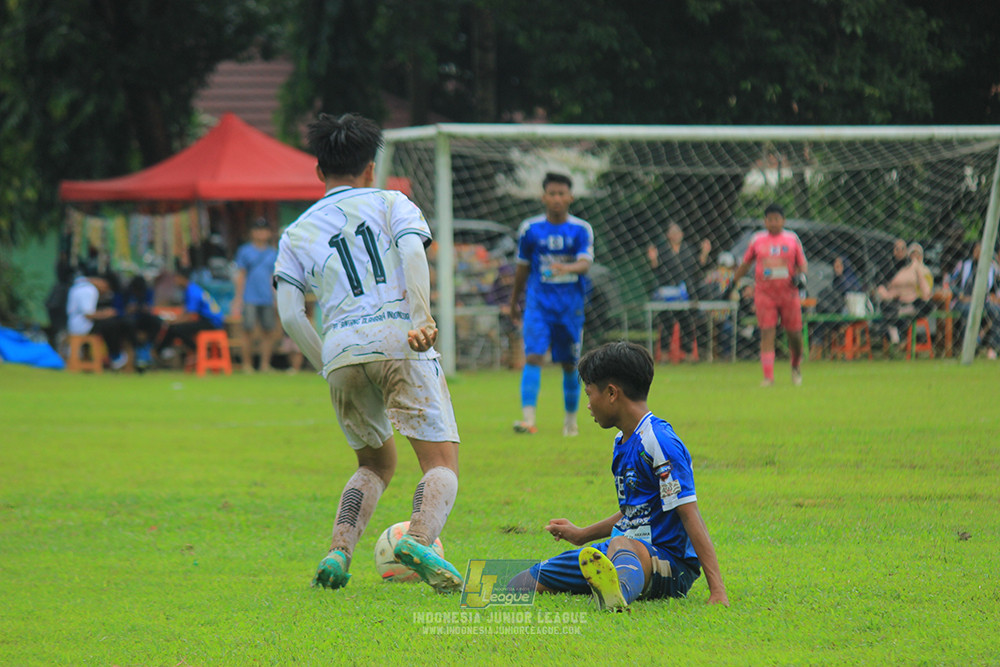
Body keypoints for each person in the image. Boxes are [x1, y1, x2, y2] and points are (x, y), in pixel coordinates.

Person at [273, 112, 463, 593]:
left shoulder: (295, 233)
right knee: (440, 462)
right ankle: (418, 539)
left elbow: (292, 314)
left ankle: (338, 553)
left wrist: (326, 362)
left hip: (339, 351)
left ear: (319, 172)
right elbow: (414, 255)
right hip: (401, 338)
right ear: (370, 169)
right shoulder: (391, 202)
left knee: (373, 465)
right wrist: (421, 319)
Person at [507, 341, 728, 611]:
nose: (587, 405)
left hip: (670, 564)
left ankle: (614, 596)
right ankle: (607, 581)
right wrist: (580, 534)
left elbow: (689, 514)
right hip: (618, 550)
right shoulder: (621, 442)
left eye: (589, 394)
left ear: (612, 393)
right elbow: (633, 511)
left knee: (623, 545)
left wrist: (717, 590)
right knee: (524, 581)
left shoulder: (659, 442)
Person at [509, 172, 594, 437]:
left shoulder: (581, 229)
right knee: (533, 356)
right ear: (543, 197)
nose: (557, 199)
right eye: (552, 194)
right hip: (538, 305)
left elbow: (585, 264)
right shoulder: (530, 229)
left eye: (561, 194)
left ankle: (570, 423)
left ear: (570, 197)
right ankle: (528, 420)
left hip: (570, 307)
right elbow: (522, 268)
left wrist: (564, 267)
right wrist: (514, 300)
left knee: (570, 363)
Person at [731, 204, 808, 386]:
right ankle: (768, 376)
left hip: (788, 293)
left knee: (794, 334)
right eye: (770, 219)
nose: (773, 223)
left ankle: (796, 366)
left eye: (777, 219)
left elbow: (802, 264)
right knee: (767, 332)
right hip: (765, 294)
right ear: (765, 221)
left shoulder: (792, 239)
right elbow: (746, 262)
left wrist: (801, 277)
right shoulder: (757, 240)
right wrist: (734, 281)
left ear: (783, 221)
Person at [646, 223, 712, 360]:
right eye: (673, 232)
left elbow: (698, 268)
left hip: (686, 293)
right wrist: (653, 259)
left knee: (687, 322)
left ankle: (688, 354)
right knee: (666, 322)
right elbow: (657, 270)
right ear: (668, 235)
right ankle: (664, 354)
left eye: (678, 232)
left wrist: (704, 253)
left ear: (682, 234)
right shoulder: (663, 251)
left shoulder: (688, 249)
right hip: (668, 293)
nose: (676, 235)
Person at [231, 218, 281, 373]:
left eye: (264, 230)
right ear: (252, 233)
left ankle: (264, 365)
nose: (261, 233)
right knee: (247, 330)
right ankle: (247, 364)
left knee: (268, 331)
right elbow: (241, 275)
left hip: (266, 296)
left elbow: (274, 276)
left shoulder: (273, 252)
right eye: (258, 230)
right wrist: (238, 298)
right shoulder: (245, 251)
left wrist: (276, 297)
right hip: (249, 296)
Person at [65, 270, 134, 370]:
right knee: (112, 325)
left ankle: (115, 355)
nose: (105, 292)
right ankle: (115, 355)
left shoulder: (78, 285)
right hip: (82, 327)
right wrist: (106, 313)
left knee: (110, 324)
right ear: (103, 283)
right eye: (107, 289)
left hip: (73, 324)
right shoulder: (90, 290)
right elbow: (88, 315)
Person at [154, 266, 225, 361]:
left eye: (176, 278)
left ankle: (199, 351)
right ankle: (159, 352)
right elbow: (187, 313)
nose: (175, 281)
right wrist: (175, 320)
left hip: (212, 323)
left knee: (176, 329)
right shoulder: (191, 289)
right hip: (207, 320)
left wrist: (175, 321)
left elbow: (191, 316)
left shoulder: (192, 291)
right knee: (174, 328)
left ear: (182, 278)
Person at [876, 243, 934, 346]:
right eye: (913, 254)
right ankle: (898, 327)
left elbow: (926, 292)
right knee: (886, 307)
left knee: (929, 305)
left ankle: (900, 320)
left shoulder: (923, 271)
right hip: (898, 302)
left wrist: (917, 269)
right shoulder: (899, 269)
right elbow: (887, 286)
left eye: (918, 255)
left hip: (913, 302)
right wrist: (890, 294)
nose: (915, 257)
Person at [948, 241, 1000, 358]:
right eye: (976, 250)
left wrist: (993, 296)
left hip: (983, 302)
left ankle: (991, 347)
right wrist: (960, 294)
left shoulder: (992, 268)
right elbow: (950, 282)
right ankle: (967, 347)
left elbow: (995, 287)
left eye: (981, 250)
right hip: (963, 301)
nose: (978, 252)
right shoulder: (963, 265)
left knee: (997, 311)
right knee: (969, 311)